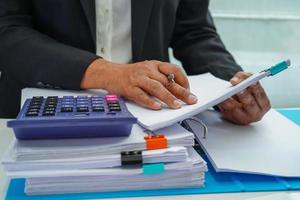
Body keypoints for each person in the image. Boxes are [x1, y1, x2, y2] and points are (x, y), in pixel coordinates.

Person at [0, 0, 270, 124]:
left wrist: (231, 87)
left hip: (152, 117)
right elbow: (7, 29)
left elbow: (193, 30)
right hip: (33, 113)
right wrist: (105, 73)